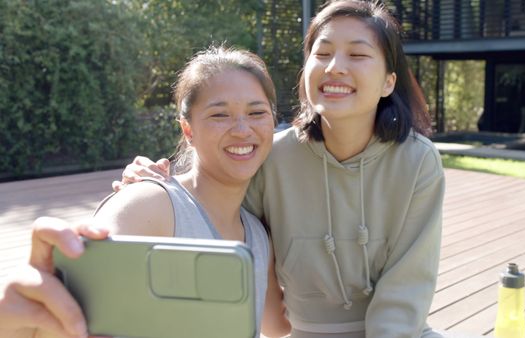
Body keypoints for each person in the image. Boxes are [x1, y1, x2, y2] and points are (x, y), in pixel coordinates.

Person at [117, 1, 446, 337]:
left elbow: (405, 293)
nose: (335, 67)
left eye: (357, 55)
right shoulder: (271, 157)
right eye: (323, 53)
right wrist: (160, 186)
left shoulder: (417, 162)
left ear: (388, 82)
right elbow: (212, 201)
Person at [0, 45, 291, 338]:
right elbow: (66, 319)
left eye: (256, 112)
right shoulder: (150, 205)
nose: (242, 129)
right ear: (188, 131)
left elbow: (277, 326)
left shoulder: (256, 233)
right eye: (219, 115)